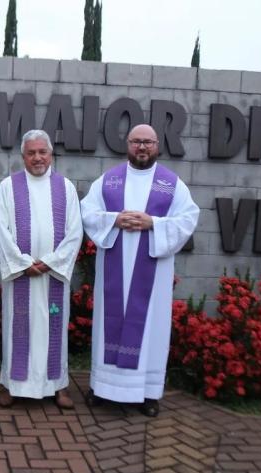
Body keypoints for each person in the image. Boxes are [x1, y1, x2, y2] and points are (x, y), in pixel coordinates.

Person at [81, 124, 199, 417]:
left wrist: (154, 224)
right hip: (113, 271)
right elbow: (87, 212)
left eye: (147, 142)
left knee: (151, 329)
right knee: (110, 322)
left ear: (157, 145)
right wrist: (114, 219)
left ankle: (147, 393)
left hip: (153, 275)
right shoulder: (109, 181)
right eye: (136, 142)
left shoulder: (171, 184)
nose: (142, 147)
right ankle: (103, 388)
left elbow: (188, 219)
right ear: (128, 145)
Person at [0, 130, 83, 409]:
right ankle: (13, 384)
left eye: (42, 152)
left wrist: (50, 263)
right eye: (31, 153)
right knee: (17, 328)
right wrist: (22, 264)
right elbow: (0, 230)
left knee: (54, 329)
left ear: (51, 154)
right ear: (23, 156)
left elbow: (74, 231)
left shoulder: (65, 187)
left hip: (51, 276)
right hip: (22, 276)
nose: (37, 157)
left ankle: (57, 386)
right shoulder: (9, 186)